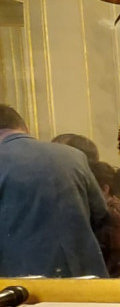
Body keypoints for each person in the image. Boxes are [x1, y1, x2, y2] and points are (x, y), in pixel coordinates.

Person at [0, 106, 109, 278]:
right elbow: (100, 212)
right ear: (25, 128)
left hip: (23, 284)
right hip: (84, 276)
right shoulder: (74, 155)